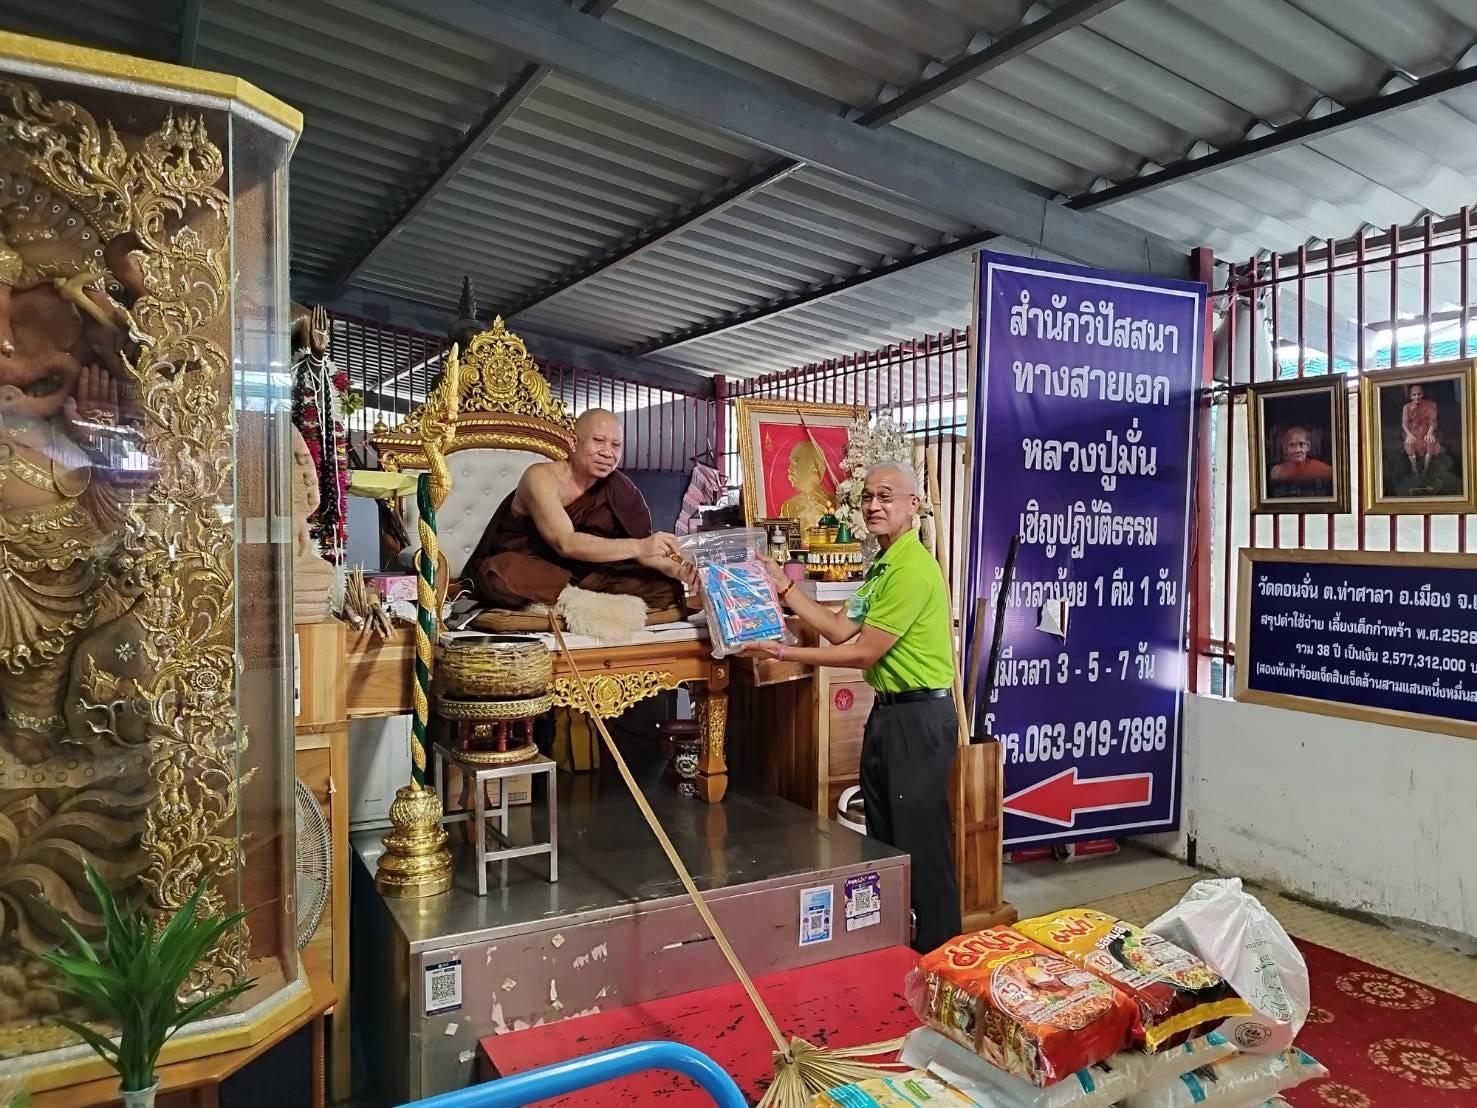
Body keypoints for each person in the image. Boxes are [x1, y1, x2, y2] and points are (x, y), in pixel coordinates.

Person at [740, 461, 962, 952]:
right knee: (885, 841)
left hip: (919, 721)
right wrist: (783, 586)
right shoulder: (883, 565)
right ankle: (900, 954)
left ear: (913, 505)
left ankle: (941, 960)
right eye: (867, 497)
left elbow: (863, 653)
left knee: (922, 850)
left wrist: (782, 652)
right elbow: (840, 628)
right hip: (889, 715)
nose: (873, 506)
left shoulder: (912, 568)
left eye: (886, 496)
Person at [467, 408, 690, 612]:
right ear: (573, 442)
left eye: (616, 445)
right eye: (599, 441)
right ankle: (581, 600)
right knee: (498, 574)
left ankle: (574, 599)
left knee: (667, 587)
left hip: (587, 574)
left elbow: (643, 553)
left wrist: (681, 571)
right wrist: (641, 546)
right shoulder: (540, 477)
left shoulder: (621, 488)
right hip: (537, 569)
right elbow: (566, 543)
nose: (608, 452)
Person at [778, 439, 834, 532]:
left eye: (795, 462)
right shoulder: (788, 508)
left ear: (814, 466)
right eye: (790, 462)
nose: (789, 469)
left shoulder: (837, 504)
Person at [1267, 425, 1333, 491]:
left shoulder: (1325, 471)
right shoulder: (1276, 473)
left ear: (1308, 446)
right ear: (1285, 448)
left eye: (1302, 444)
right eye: (1292, 445)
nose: (1297, 450)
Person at [1401, 383, 1441, 480]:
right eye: (1414, 395)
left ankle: (1425, 470)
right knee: (1409, 444)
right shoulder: (1406, 407)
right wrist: (1409, 435)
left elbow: (1433, 421)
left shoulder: (1430, 405)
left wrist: (1429, 433)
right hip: (1412, 432)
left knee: (1430, 443)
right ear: (1410, 396)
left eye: (1419, 394)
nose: (1417, 397)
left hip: (1426, 431)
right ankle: (1414, 470)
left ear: (1422, 394)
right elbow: (1404, 424)